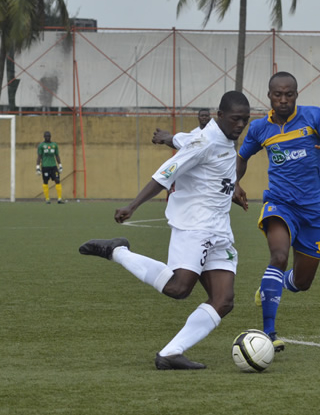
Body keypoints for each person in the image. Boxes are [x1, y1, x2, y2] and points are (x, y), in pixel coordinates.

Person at [78, 91, 251, 370]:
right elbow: (165, 173)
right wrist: (132, 206)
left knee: (224, 299)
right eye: (235, 119)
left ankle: (170, 353)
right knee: (179, 288)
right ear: (220, 116)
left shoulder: (220, 138)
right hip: (195, 226)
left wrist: (167, 137)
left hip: (220, 229)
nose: (241, 125)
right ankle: (118, 251)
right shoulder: (203, 141)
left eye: (245, 119)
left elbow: (181, 140)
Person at [233, 71, 320, 352]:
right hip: (280, 204)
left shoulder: (314, 117)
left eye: (289, 94)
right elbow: (241, 157)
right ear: (269, 95)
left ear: (297, 95)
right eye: (277, 94)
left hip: (315, 210)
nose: (283, 100)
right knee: (279, 256)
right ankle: (269, 333)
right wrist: (235, 184)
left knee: (302, 282)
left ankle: (271, 286)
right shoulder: (260, 128)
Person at [36, 131, 64, 204]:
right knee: (45, 182)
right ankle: (47, 199)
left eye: (48, 136)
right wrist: (37, 167)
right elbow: (39, 156)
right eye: (46, 136)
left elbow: (57, 155)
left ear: (50, 137)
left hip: (53, 166)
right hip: (45, 166)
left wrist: (60, 165)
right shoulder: (41, 145)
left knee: (57, 180)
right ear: (44, 137)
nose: (47, 137)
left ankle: (59, 199)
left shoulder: (54, 145)